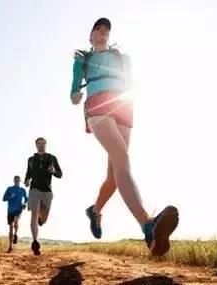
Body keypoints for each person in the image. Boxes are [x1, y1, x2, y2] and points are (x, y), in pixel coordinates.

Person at [70, 18, 179, 256]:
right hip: (98, 104)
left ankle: (95, 211)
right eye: (98, 30)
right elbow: (74, 89)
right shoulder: (83, 59)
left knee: (114, 176)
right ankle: (148, 225)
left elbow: (130, 83)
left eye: (106, 30)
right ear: (90, 37)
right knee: (122, 157)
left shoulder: (122, 58)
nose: (103, 33)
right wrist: (75, 95)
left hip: (122, 106)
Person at [24, 137, 62, 255]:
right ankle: (35, 242)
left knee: (43, 219)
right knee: (34, 214)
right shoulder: (31, 159)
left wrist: (53, 171)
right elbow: (28, 173)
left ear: (45, 144)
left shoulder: (51, 158)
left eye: (42, 143)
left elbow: (60, 174)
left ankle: (41, 219)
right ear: (36, 145)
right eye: (38, 143)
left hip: (47, 191)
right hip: (34, 190)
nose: (40, 145)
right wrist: (26, 180)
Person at [2, 175, 28, 253]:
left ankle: (15, 234)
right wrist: (10, 196)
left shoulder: (22, 190)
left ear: (20, 181)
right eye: (15, 180)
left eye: (18, 180)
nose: (16, 181)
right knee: (10, 227)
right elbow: (3, 199)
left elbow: (26, 199)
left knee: (16, 221)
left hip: (18, 209)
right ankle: (10, 246)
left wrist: (24, 204)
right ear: (13, 180)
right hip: (10, 210)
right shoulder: (9, 189)